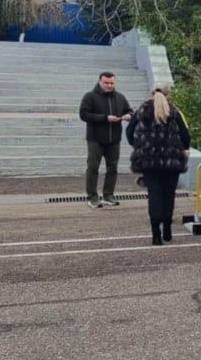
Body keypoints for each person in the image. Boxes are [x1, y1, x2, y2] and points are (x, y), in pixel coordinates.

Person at [129, 84, 190, 245]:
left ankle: (156, 234)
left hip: (149, 161)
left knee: (154, 195)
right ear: (168, 94)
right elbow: (185, 134)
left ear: (151, 94)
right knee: (168, 195)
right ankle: (167, 229)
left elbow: (129, 132)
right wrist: (184, 148)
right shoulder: (174, 111)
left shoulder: (141, 111)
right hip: (171, 161)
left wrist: (139, 145)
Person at [78, 72, 132, 208]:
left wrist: (128, 115)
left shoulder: (120, 97)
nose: (109, 85)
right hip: (95, 139)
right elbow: (84, 115)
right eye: (106, 83)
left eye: (112, 83)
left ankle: (108, 195)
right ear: (100, 82)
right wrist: (105, 118)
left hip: (114, 139)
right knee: (93, 167)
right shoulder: (90, 96)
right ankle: (92, 197)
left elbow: (130, 111)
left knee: (112, 168)